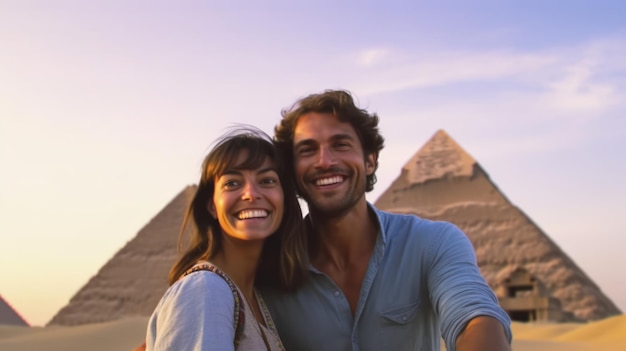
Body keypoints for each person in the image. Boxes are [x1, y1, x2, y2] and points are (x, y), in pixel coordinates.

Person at [261, 89, 513, 351]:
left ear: (370, 161)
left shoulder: (432, 244)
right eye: (307, 150)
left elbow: (475, 316)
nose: (325, 161)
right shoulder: (268, 266)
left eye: (341, 145)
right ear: (291, 169)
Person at [144, 127, 308, 350]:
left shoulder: (256, 298)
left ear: (285, 201)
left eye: (267, 180)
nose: (251, 193)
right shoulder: (206, 290)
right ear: (212, 205)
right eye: (232, 183)